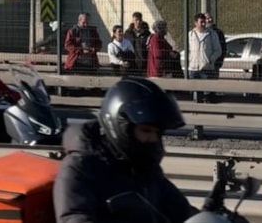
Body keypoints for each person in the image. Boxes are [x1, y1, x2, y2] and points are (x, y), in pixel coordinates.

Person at [53, 77, 197, 223]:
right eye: (146, 130)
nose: (153, 139)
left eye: (157, 133)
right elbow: (75, 217)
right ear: (121, 126)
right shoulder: (81, 168)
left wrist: (206, 215)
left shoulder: (146, 170)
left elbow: (181, 210)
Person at [187, 13, 222, 80]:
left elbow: (218, 50)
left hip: (207, 70)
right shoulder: (190, 34)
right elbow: (188, 50)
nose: (203, 24)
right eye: (201, 22)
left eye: (204, 22)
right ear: (196, 23)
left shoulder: (212, 34)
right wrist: (190, 59)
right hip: (192, 69)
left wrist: (210, 60)